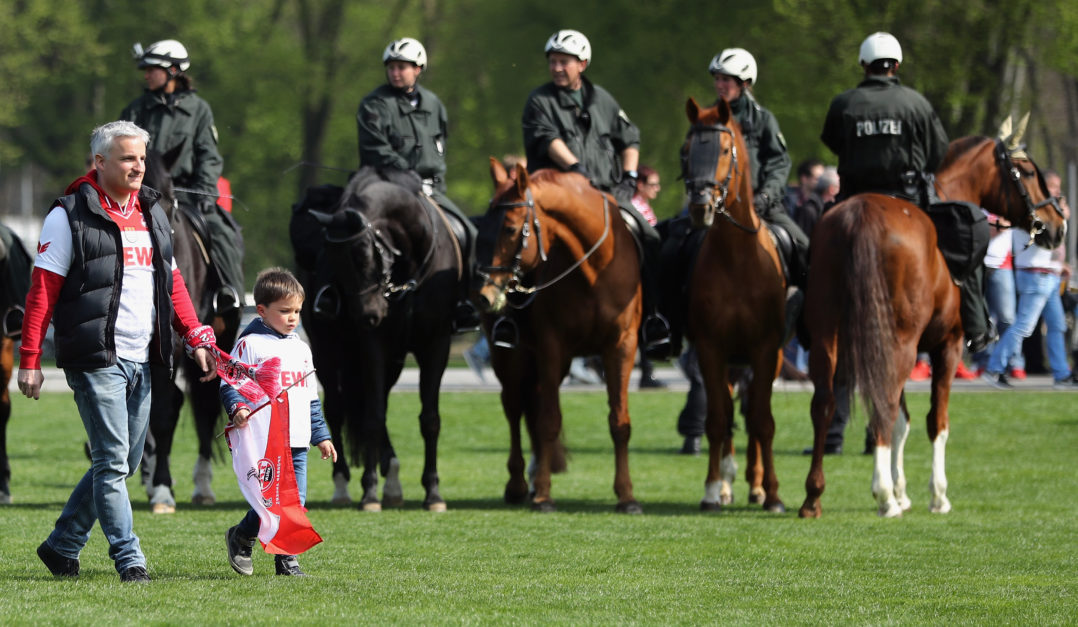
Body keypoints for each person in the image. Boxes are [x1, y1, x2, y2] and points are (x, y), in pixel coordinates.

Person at [18, 121, 218, 582]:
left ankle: (63, 545)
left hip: (143, 356)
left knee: (125, 462)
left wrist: (195, 333)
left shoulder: (153, 212)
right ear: (100, 162)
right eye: (128, 158)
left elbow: (174, 285)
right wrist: (29, 360)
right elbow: (42, 292)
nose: (138, 167)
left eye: (142, 159)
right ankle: (130, 560)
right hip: (94, 358)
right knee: (112, 460)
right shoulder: (66, 215)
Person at [821, 32, 992, 355]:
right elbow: (938, 150)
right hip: (910, 197)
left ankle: (805, 316)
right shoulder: (916, 102)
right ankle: (977, 325)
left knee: (813, 247)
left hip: (853, 198)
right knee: (965, 237)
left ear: (863, 65)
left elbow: (832, 141)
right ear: (896, 65)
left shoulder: (843, 102)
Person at [675, 47, 809, 451]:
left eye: (727, 81)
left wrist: (765, 197)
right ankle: (666, 323)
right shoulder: (705, 119)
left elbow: (779, 163)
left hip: (761, 209)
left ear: (745, 84)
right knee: (672, 248)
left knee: (803, 247)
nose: (720, 86)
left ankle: (810, 324)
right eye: (717, 79)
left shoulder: (762, 119)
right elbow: (691, 158)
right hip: (710, 206)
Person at [521, 29, 670, 355]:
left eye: (565, 62)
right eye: (553, 62)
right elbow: (548, 139)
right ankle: (514, 318)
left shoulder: (602, 99)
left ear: (583, 63)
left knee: (651, 238)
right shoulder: (540, 101)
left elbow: (629, 138)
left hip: (608, 194)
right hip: (559, 198)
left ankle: (655, 318)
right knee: (521, 242)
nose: (557, 68)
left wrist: (630, 175)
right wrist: (576, 169)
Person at [357, 37, 479, 332]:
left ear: (418, 69)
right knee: (353, 234)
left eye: (403, 67)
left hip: (429, 190)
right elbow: (376, 150)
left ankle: (464, 304)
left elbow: (439, 149)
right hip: (386, 187)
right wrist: (404, 173)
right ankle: (347, 298)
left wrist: (433, 183)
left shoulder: (434, 104)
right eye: (392, 67)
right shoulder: (374, 104)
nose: (396, 73)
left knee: (470, 233)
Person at [222, 267, 337, 576]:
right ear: (262, 310)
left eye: (297, 310)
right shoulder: (251, 345)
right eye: (285, 311)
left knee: (294, 504)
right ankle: (243, 535)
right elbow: (230, 383)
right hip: (265, 442)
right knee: (269, 503)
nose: (293, 317)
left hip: (297, 441)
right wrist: (237, 408)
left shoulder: (301, 349)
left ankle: (285, 558)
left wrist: (321, 436)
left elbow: (311, 399)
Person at [121, 40, 245, 315]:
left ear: (174, 70)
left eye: (152, 69)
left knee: (224, 233)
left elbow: (209, 157)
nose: (146, 75)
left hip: (187, 196)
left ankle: (229, 295)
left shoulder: (199, 110)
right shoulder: (134, 111)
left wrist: (204, 194)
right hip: (137, 196)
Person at [983, 171, 1077, 389]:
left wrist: (1059, 265)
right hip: (1035, 274)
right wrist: (1060, 213)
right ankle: (995, 368)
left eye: (1058, 186)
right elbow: (1046, 232)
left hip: (1049, 273)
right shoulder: (1031, 207)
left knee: (1057, 325)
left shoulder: (1046, 207)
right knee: (1024, 326)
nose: (1057, 191)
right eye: (1053, 186)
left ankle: (1061, 373)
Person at [632, 165, 667, 389]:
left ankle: (648, 371)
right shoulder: (636, 207)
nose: (657, 189)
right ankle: (647, 373)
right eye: (652, 184)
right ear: (640, 185)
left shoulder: (643, 207)